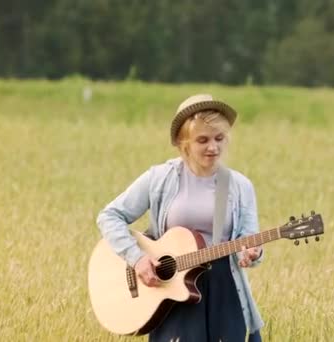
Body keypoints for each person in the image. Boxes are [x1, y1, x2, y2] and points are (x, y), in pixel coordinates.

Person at [96, 94, 264, 341]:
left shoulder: (239, 185)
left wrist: (252, 252)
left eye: (219, 138)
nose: (213, 147)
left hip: (224, 289)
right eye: (202, 140)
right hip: (173, 290)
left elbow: (248, 238)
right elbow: (109, 216)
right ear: (183, 143)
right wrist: (137, 258)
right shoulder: (160, 178)